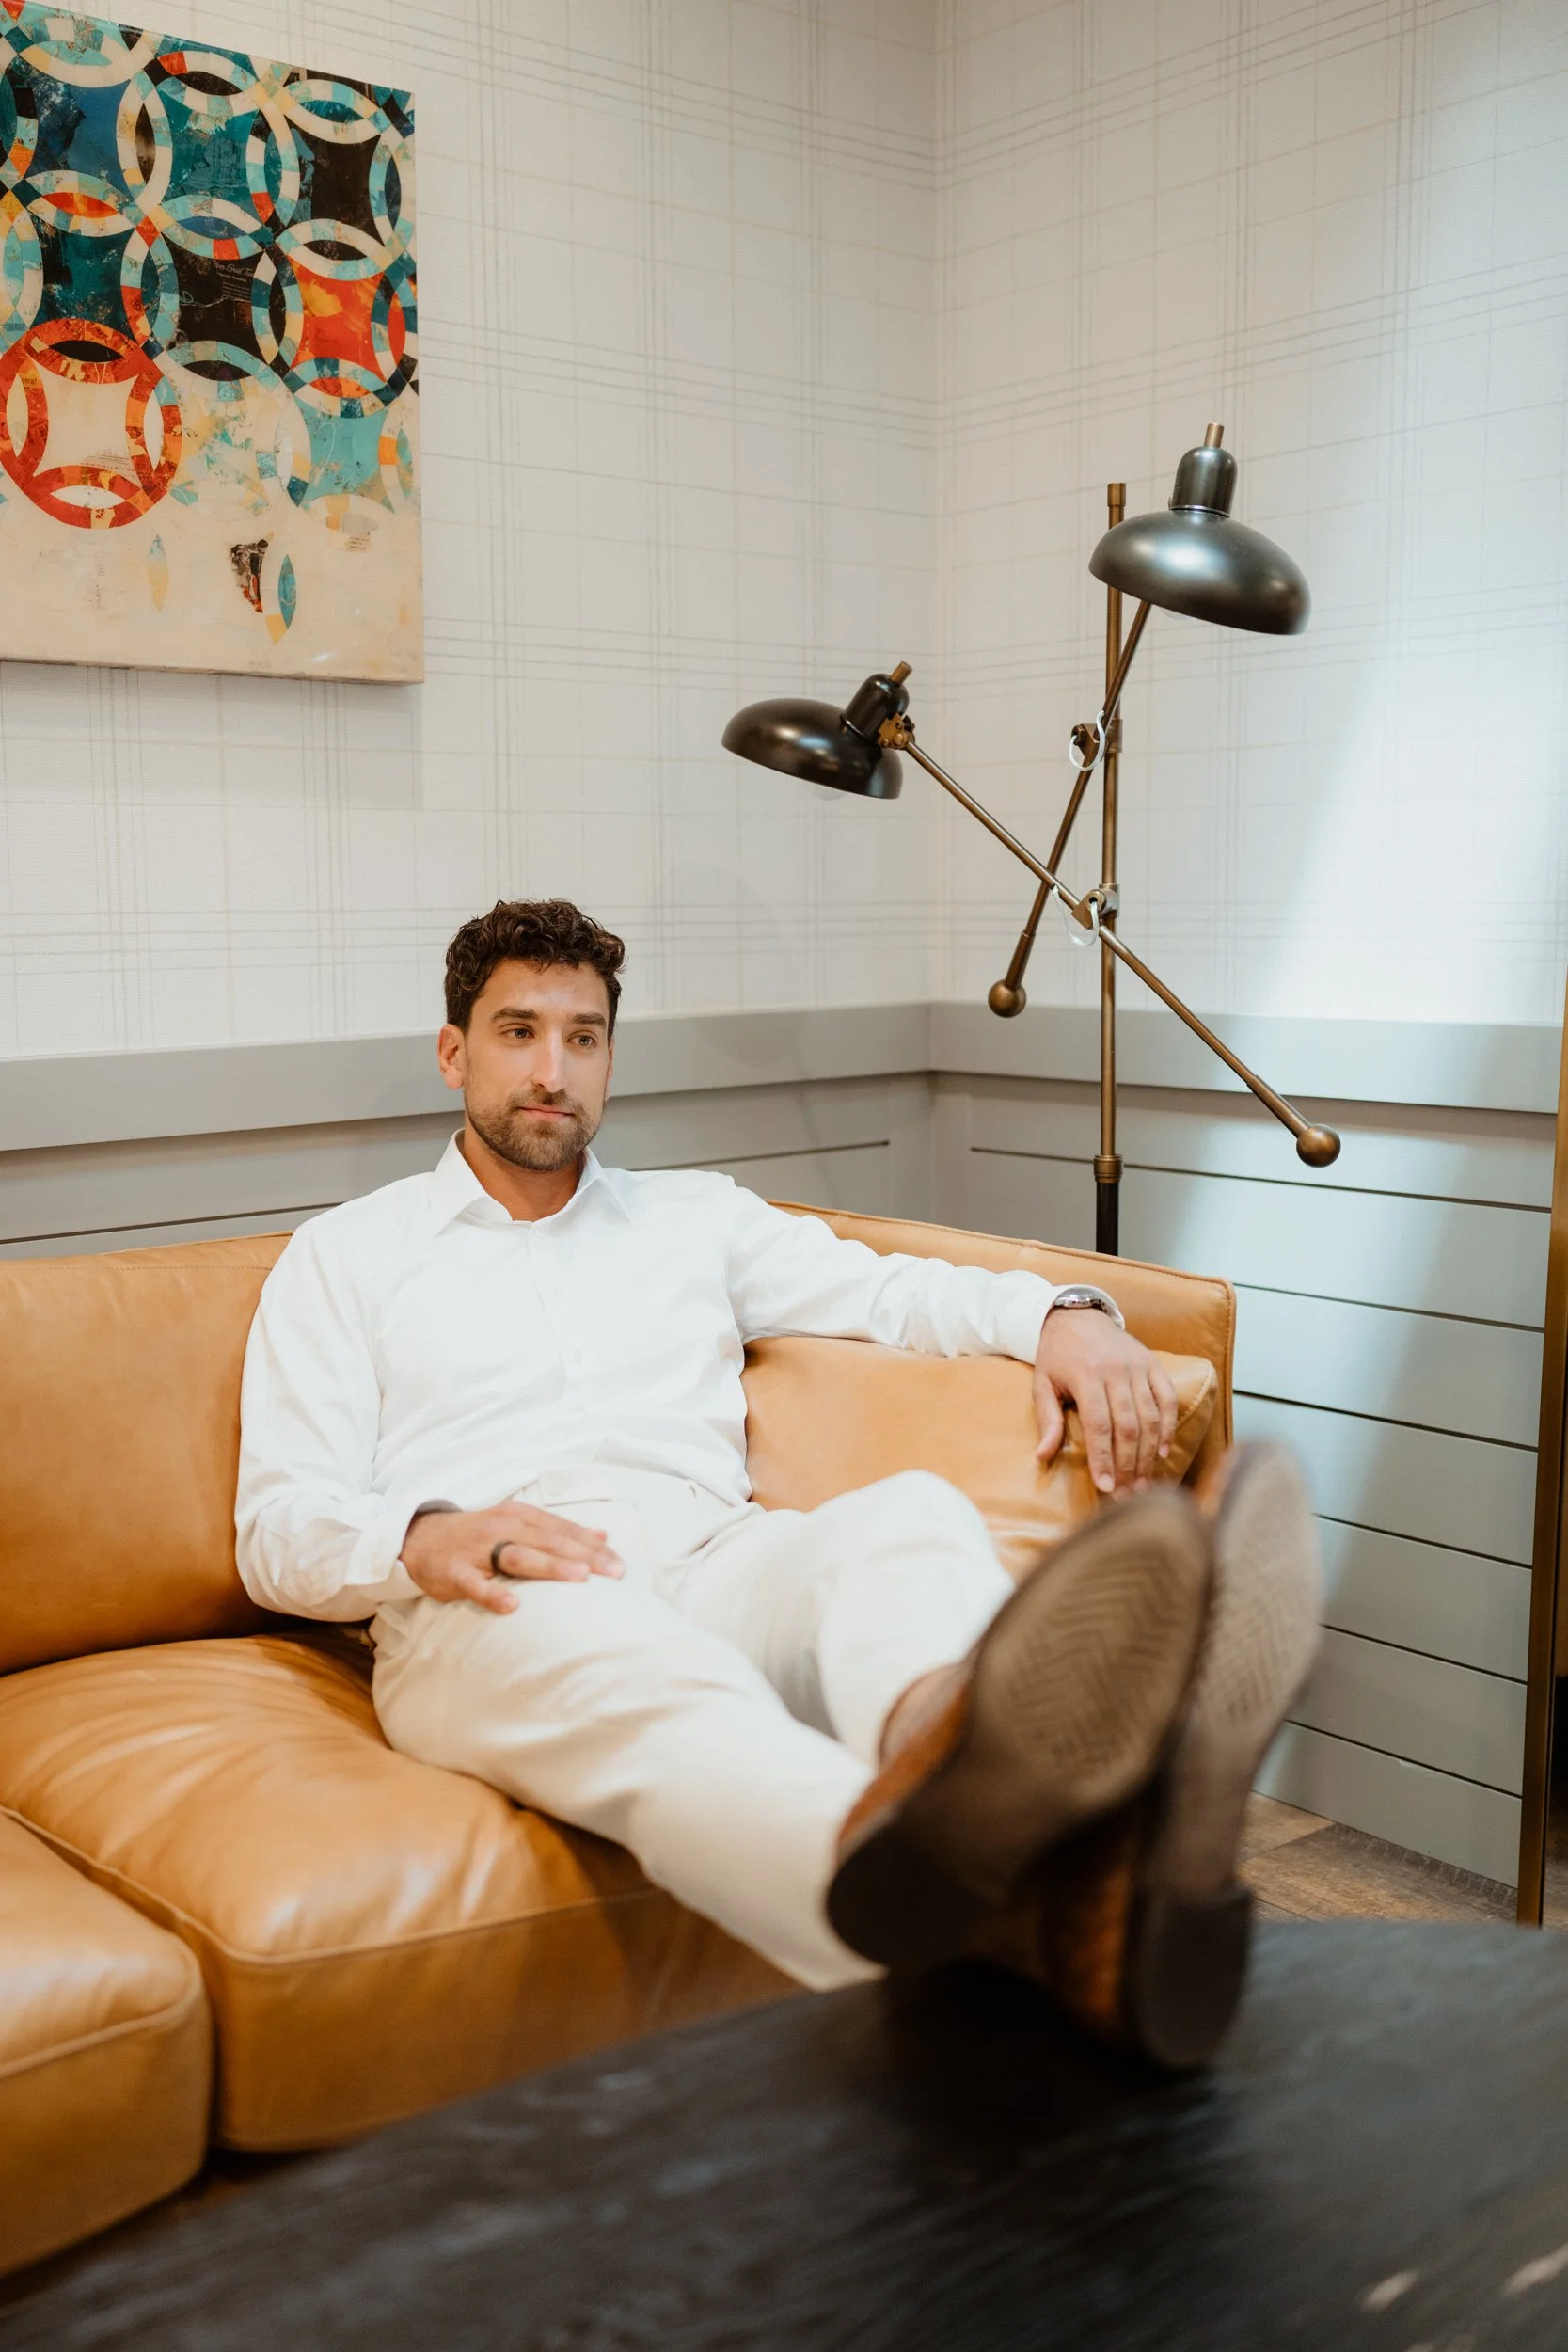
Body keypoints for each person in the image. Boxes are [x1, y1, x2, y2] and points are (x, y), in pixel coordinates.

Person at [236, 898, 1320, 2067]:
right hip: (497, 1593)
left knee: (905, 1516)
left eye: (585, 1037)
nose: (553, 1070)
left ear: (610, 1056)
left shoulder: (693, 1218)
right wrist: (425, 1537)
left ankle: (945, 1750)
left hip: (714, 1556)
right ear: (453, 1052)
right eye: (517, 1032)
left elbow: (893, 1293)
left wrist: (1064, 1315)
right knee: (648, 1675)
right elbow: (277, 1527)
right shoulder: (345, 1255)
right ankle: (1054, 1904)